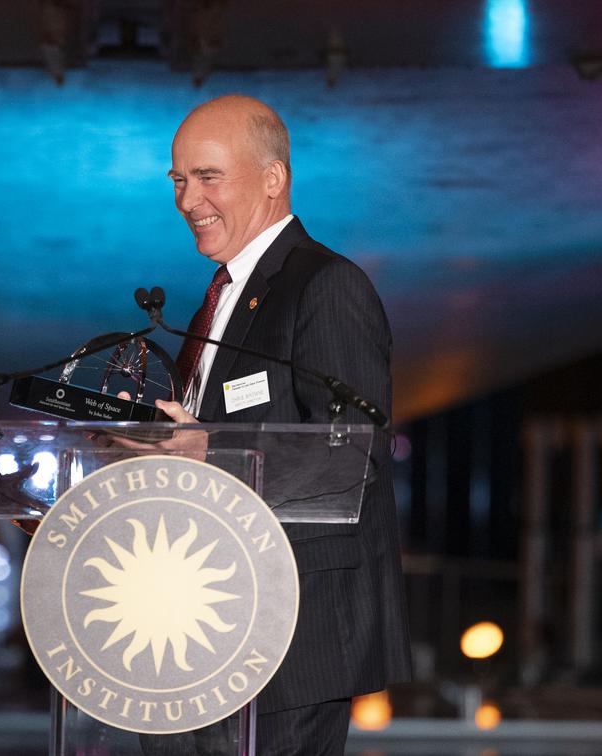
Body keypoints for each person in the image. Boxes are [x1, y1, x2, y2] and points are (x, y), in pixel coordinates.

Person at [143, 95, 413, 754]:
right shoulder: (222, 298)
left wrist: (212, 453)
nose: (186, 200)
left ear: (272, 179)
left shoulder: (327, 286)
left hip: (291, 640)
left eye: (208, 177)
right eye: (178, 180)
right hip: (205, 629)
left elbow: (354, 458)